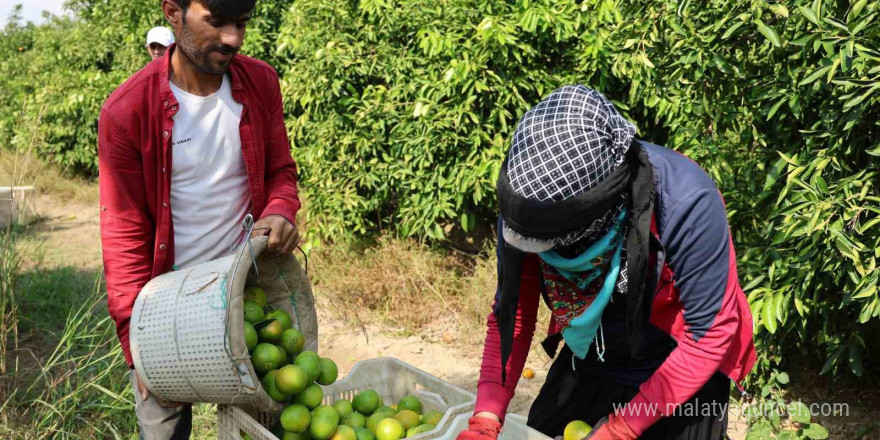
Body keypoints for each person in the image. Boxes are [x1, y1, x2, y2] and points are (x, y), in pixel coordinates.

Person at [456, 86, 756, 440]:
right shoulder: (528, 207)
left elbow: (709, 335)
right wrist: (486, 416)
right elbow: (513, 318)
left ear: (592, 213)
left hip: (678, 368)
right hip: (594, 353)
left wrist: (622, 428)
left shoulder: (684, 203)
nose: (539, 250)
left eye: (549, 243)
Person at [98, 0, 301, 438]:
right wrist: (140, 353)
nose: (233, 38)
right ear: (173, 12)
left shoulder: (260, 83)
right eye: (217, 22)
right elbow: (124, 234)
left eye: (242, 23)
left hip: (247, 298)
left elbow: (280, 171)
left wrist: (279, 210)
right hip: (166, 312)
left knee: (273, 421)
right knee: (165, 428)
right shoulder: (128, 112)